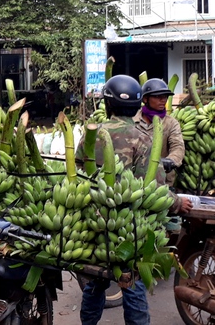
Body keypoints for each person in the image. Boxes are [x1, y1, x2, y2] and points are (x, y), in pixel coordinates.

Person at [76, 75, 192, 325]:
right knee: (132, 284)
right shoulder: (142, 138)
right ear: (138, 104)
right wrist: (177, 203)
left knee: (95, 283)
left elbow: (77, 172)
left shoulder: (91, 134)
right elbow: (154, 187)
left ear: (108, 105)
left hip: (93, 222)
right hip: (128, 226)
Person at [133, 78, 185, 186]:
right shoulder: (132, 120)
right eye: (157, 97)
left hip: (162, 181)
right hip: (134, 180)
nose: (163, 100)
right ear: (145, 99)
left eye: (165, 97)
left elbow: (178, 146)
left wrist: (170, 161)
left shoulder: (171, 123)